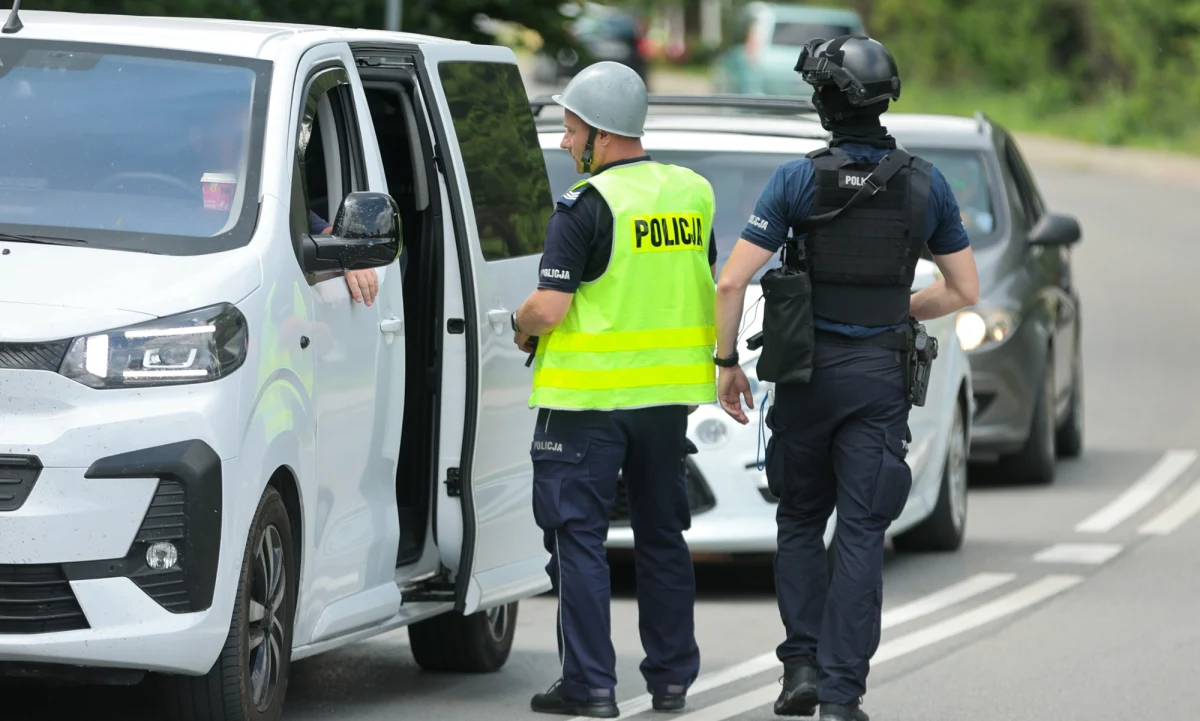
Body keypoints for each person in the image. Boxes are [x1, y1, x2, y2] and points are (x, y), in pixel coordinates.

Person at [712, 36, 979, 721]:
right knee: (861, 531)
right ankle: (840, 696)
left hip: (805, 375)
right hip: (878, 377)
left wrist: (727, 362)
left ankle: (800, 665)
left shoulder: (798, 180)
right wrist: (904, 307)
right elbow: (965, 288)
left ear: (828, 103)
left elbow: (732, 280)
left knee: (800, 517)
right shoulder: (926, 183)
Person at [510, 60, 719, 718]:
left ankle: (591, 685)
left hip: (586, 406)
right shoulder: (692, 194)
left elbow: (547, 307)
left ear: (600, 132)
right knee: (662, 538)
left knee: (579, 540)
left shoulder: (586, 205)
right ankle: (671, 680)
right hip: (664, 404)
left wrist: (517, 326)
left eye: (571, 131)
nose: (567, 144)